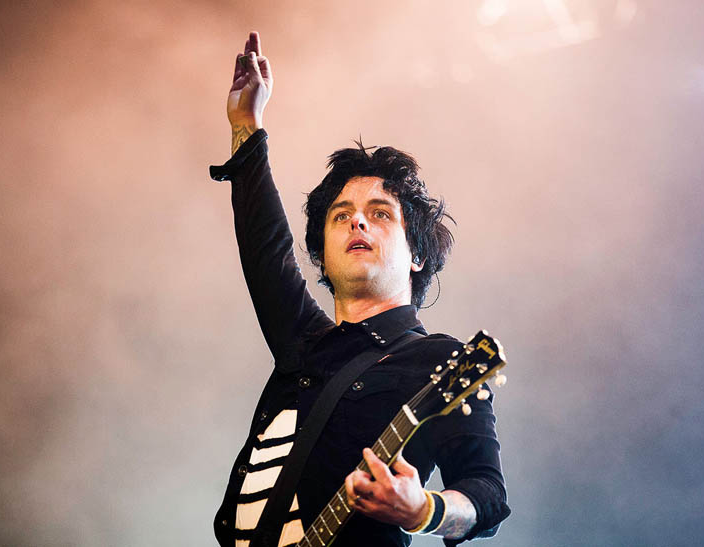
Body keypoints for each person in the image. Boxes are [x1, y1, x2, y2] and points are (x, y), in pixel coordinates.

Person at [209, 32, 510, 547]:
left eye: (380, 214)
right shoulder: (305, 345)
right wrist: (246, 126)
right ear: (323, 254)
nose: (357, 224)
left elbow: (486, 495)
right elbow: (265, 245)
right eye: (341, 215)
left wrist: (423, 509)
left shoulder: (443, 362)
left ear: (418, 255)